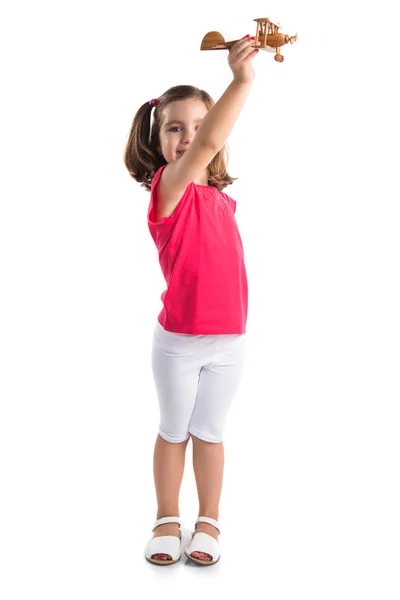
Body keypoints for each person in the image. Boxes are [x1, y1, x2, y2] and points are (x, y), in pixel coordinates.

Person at [123, 34, 259, 566]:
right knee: (173, 430)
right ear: (157, 141)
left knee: (211, 433)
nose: (190, 137)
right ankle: (165, 517)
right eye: (175, 128)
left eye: (200, 126)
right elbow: (203, 152)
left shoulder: (221, 200)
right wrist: (242, 80)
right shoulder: (167, 190)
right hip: (179, 342)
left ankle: (209, 520)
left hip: (229, 343)